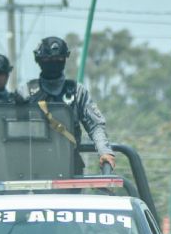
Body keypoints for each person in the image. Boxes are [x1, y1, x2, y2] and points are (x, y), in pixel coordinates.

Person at [17, 36, 115, 173]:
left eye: (59, 59)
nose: (54, 63)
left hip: (69, 166)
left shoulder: (76, 91)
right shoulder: (26, 92)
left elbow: (95, 125)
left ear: (65, 59)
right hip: (31, 167)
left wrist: (105, 152)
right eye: (48, 60)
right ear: (39, 60)